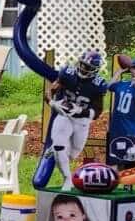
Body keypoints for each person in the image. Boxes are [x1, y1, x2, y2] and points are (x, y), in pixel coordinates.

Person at [34, 48, 106, 190]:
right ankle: (68, 178)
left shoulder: (98, 85)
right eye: (83, 64)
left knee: (73, 153)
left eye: (88, 67)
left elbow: (97, 111)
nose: (84, 69)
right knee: (60, 147)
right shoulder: (67, 73)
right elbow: (50, 91)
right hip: (64, 116)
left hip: (82, 121)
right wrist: (53, 103)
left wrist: (81, 110)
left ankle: (55, 150)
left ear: (95, 70)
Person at [105, 54, 135, 165]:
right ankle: (114, 180)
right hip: (116, 127)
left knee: (129, 159)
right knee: (113, 158)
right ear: (131, 68)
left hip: (130, 129)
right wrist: (119, 72)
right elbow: (109, 86)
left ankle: (128, 182)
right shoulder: (123, 84)